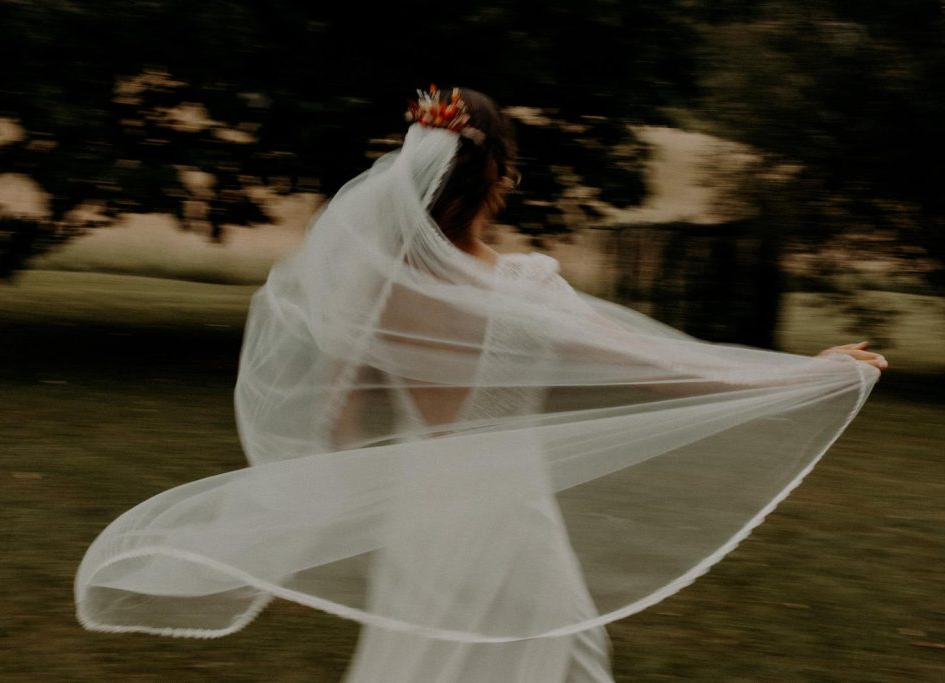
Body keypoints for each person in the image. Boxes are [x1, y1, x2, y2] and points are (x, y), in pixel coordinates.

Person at [75, 86, 884, 681]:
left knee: (424, 663)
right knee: (542, 662)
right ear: (496, 176)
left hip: (422, 514)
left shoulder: (377, 293)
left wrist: (369, 493)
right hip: (506, 515)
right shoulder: (525, 288)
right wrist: (806, 374)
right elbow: (655, 369)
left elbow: (338, 426)